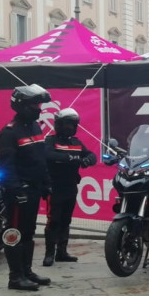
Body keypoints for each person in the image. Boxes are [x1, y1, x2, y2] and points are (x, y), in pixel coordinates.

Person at [0, 84, 53, 291]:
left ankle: (27, 272)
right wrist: (16, 190)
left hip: (34, 189)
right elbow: (6, 166)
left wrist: (46, 183)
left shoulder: (35, 127)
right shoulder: (9, 132)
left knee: (29, 232)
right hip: (19, 192)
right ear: (21, 105)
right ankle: (15, 277)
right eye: (34, 105)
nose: (38, 109)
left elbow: (40, 159)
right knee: (14, 232)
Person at [43, 108, 96, 266]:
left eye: (72, 125)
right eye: (67, 124)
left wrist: (87, 160)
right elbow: (49, 155)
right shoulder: (50, 141)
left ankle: (62, 252)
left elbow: (92, 155)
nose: (69, 128)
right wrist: (71, 157)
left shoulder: (76, 143)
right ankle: (49, 253)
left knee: (66, 220)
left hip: (71, 186)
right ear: (59, 124)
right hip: (54, 187)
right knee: (53, 220)